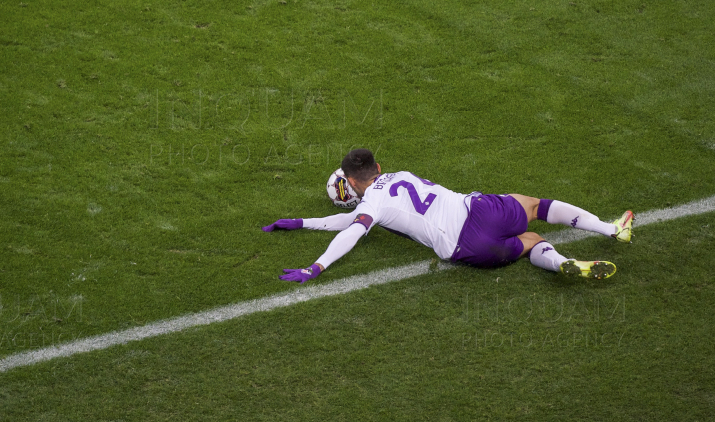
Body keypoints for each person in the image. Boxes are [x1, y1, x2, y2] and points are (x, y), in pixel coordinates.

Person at [263, 149, 632, 283]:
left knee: (532, 242)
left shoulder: (369, 206)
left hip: (466, 246)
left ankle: (563, 262)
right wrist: (301, 222)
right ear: (378, 166)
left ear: (352, 185)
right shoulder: (400, 176)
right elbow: (355, 221)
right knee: (535, 205)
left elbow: (353, 229)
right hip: (477, 209)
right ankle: (611, 228)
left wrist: (317, 265)